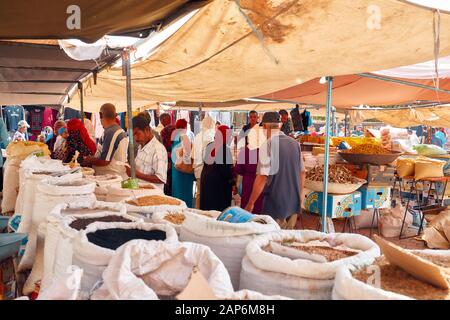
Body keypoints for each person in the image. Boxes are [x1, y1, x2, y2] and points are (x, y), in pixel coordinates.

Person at [245, 112, 305, 229]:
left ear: (265, 126)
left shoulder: (267, 145)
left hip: (275, 206)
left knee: (273, 242)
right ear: (280, 125)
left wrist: (250, 203)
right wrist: (299, 197)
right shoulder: (295, 144)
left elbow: (263, 177)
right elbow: (302, 173)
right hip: (293, 205)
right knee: (287, 241)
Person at [83, 103, 128, 178]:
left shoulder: (112, 132)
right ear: (115, 115)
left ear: (100, 115)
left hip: (111, 179)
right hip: (109, 177)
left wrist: (89, 160)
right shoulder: (113, 131)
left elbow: (105, 161)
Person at [124, 115, 167, 190]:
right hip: (140, 192)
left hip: (153, 197)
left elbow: (161, 179)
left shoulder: (158, 149)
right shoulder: (141, 146)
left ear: (147, 130)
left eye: (137, 133)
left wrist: (136, 174)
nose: (135, 138)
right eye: (133, 135)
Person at [200, 125, 234, 211]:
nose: (230, 138)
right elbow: (226, 172)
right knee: (217, 210)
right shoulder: (224, 150)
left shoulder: (210, 145)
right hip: (218, 185)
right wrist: (232, 181)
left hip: (206, 180)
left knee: (207, 209)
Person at [234, 126, 265, 214]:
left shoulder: (245, 150)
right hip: (262, 184)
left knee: (247, 209)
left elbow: (238, 169)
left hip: (248, 182)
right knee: (260, 208)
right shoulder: (267, 150)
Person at [191, 114, 216, 208]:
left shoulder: (197, 136)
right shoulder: (211, 136)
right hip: (207, 170)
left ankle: (198, 210)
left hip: (197, 169)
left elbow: (192, 155)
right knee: (207, 194)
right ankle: (204, 212)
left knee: (199, 193)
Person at [172, 119, 195, 207]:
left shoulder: (175, 137)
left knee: (177, 193)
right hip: (184, 171)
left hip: (176, 170)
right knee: (184, 194)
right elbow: (188, 156)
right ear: (185, 126)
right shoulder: (184, 137)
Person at [160, 113, 176, 195]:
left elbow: (162, 146)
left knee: (167, 179)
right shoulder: (176, 129)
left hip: (167, 158)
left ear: (163, 120)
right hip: (177, 158)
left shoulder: (164, 131)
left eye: (161, 120)